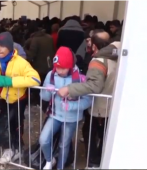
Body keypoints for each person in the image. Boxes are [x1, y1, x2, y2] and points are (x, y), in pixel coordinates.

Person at [57, 31, 120, 168]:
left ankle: (93, 162)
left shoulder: (98, 61)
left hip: (98, 105)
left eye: (90, 43)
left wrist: (70, 89)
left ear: (95, 46)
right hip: (112, 104)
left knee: (90, 131)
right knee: (104, 134)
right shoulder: (118, 56)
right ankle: (101, 160)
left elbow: (94, 85)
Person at [0, 32, 41, 164]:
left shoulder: (21, 62)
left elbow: (35, 79)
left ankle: (12, 149)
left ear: (9, 46)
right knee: (8, 125)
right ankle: (15, 149)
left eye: (2, 46)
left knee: (11, 125)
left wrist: (11, 82)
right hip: (1, 99)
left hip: (17, 100)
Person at [39, 47, 92, 169]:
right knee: (44, 139)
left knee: (64, 145)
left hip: (72, 118)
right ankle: (49, 160)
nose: (59, 70)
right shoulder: (51, 75)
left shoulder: (80, 78)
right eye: (57, 67)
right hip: (55, 114)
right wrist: (48, 90)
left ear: (70, 66)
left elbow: (88, 101)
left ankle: (60, 167)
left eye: (63, 68)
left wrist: (71, 105)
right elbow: (44, 97)